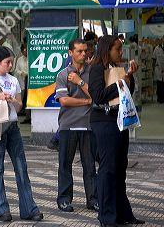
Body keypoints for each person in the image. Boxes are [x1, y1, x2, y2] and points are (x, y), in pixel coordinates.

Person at [0, 46, 43, 222]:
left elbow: (20, 105)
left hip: (12, 126)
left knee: (21, 167)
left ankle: (29, 209)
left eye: (11, 62)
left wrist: (12, 100)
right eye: (7, 62)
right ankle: (0, 209)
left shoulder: (13, 80)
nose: (10, 65)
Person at [89, 35, 144, 226]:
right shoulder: (97, 68)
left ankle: (124, 214)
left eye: (121, 49)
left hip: (119, 120)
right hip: (103, 122)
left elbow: (127, 92)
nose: (121, 53)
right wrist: (120, 83)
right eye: (117, 49)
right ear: (107, 50)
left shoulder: (118, 69)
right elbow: (98, 96)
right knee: (108, 169)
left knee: (121, 167)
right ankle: (107, 216)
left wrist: (129, 77)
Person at [54, 39, 98, 213]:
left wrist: (80, 82)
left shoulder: (92, 73)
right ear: (70, 53)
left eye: (85, 51)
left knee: (89, 165)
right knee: (65, 164)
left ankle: (93, 199)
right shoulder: (62, 75)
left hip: (88, 126)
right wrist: (87, 101)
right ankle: (64, 199)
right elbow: (64, 101)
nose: (83, 54)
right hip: (67, 126)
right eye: (79, 51)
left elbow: (97, 96)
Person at [152, 37, 164, 103]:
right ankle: (160, 99)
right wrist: (153, 69)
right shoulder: (157, 48)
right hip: (159, 69)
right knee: (159, 84)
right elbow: (154, 59)